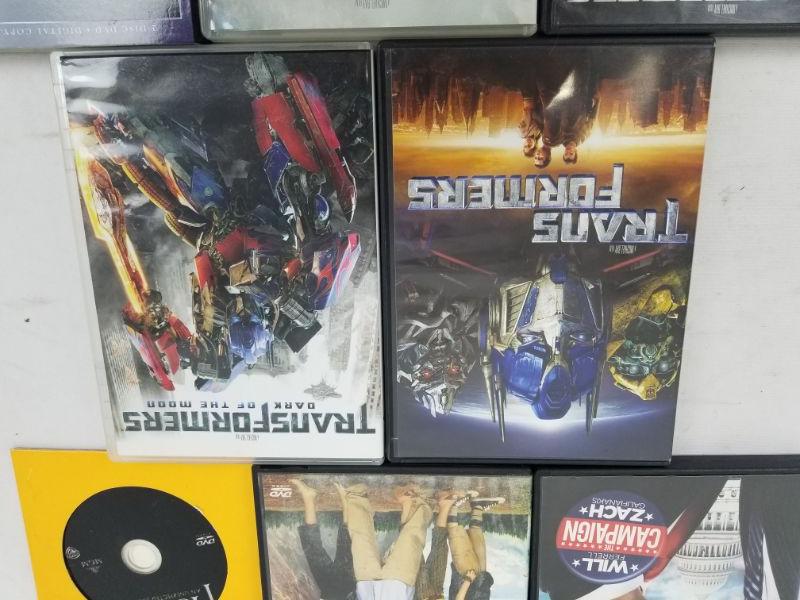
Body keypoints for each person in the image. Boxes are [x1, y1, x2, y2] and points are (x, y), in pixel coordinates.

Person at [345, 484, 434, 600]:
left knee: (360, 537)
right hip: (399, 585)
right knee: (411, 539)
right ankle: (419, 501)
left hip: (366, 586)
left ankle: (355, 494)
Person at [291, 479, 357, 600]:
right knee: (345, 547)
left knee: (313, 551)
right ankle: (346, 500)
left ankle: (309, 497)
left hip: (330, 593)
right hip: (346, 593)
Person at [445, 492, 505, 600]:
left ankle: (452, 505)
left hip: (466, 578)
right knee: (477, 537)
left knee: (457, 539)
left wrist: (468, 580)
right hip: (480, 579)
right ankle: (478, 507)